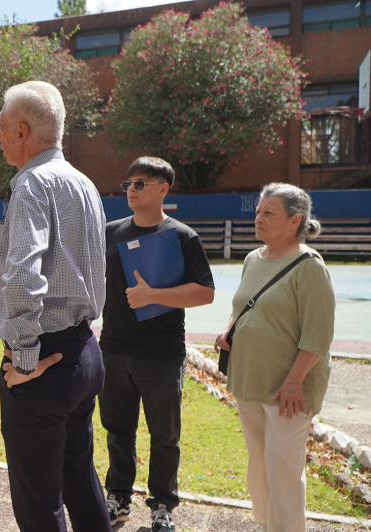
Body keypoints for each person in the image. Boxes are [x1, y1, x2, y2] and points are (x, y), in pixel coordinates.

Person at [0, 80, 111, 532]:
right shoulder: (84, 184)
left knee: (38, 502)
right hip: (82, 351)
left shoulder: (31, 185)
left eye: (2, 128)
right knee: (79, 478)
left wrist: (24, 359)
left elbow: (22, 276)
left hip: (43, 360)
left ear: (23, 132)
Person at [98, 157, 215, 532]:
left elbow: (205, 293)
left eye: (141, 183)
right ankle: (117, 496)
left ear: (163, 189)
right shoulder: (110, 231)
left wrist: (154, 296)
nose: (131, 189)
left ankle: (162, 505)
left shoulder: (182, 236)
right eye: (128, 183)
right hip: (113, 348)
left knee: (164, 435)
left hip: (161, 354)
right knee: (118, 430)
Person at [215, 183, 335, 532]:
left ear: (295, 220)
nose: (259, 219)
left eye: (269, 213)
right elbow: (242, 305)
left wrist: (295, 380)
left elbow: (318, 335)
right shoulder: (254, 259)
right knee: (259, 469)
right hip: (250, 380)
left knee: (283, 470)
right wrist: (229, 330)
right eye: (258, 211)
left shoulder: (310, 267)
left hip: (289, 390)